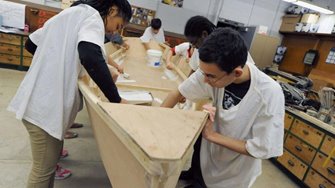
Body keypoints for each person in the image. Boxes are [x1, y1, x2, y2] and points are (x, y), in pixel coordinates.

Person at [7, 0, 132, 187]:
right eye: (118, 25)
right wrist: (117, 99)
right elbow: (90, 54)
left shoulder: (69, 14)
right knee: (42, 171)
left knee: (47, 167)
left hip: (41, 102)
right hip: (45, 108)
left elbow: (31, 44)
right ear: (112, 10)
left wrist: (56, 62)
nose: (115, 32)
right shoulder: (93, 18)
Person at [161, 28, 285, 187]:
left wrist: (213, 136)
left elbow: (262, 148)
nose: (204, 80)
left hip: (235, 173)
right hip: (210, 155)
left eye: (210, 76)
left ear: (237, 73)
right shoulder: (212, 71)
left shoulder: (269, 93)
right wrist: (153, 122)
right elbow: (177, 93)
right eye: (203, 73)